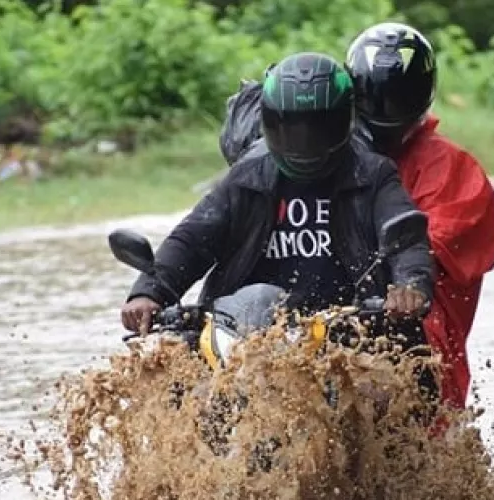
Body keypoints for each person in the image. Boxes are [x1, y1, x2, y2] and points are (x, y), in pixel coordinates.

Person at [121, 52, 434, 341]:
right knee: (169, 368)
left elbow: (406, 237)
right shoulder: (245, 178)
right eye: (290, 130)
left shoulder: (372, 174)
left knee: (408, 363)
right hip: (244, 332)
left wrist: (410, 286)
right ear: (268, 123)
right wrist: (148, 293)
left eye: (317, 129)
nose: (303, 144)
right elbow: (191, 240)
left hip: (347, 332)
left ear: (343, 121)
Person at [343, 22, 494, 411]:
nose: (385, 111)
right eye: (375, 100)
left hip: (422, 352)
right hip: (332, 326)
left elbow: (423, 251)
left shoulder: (453, 170)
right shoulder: (329, 160)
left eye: (396, 101)